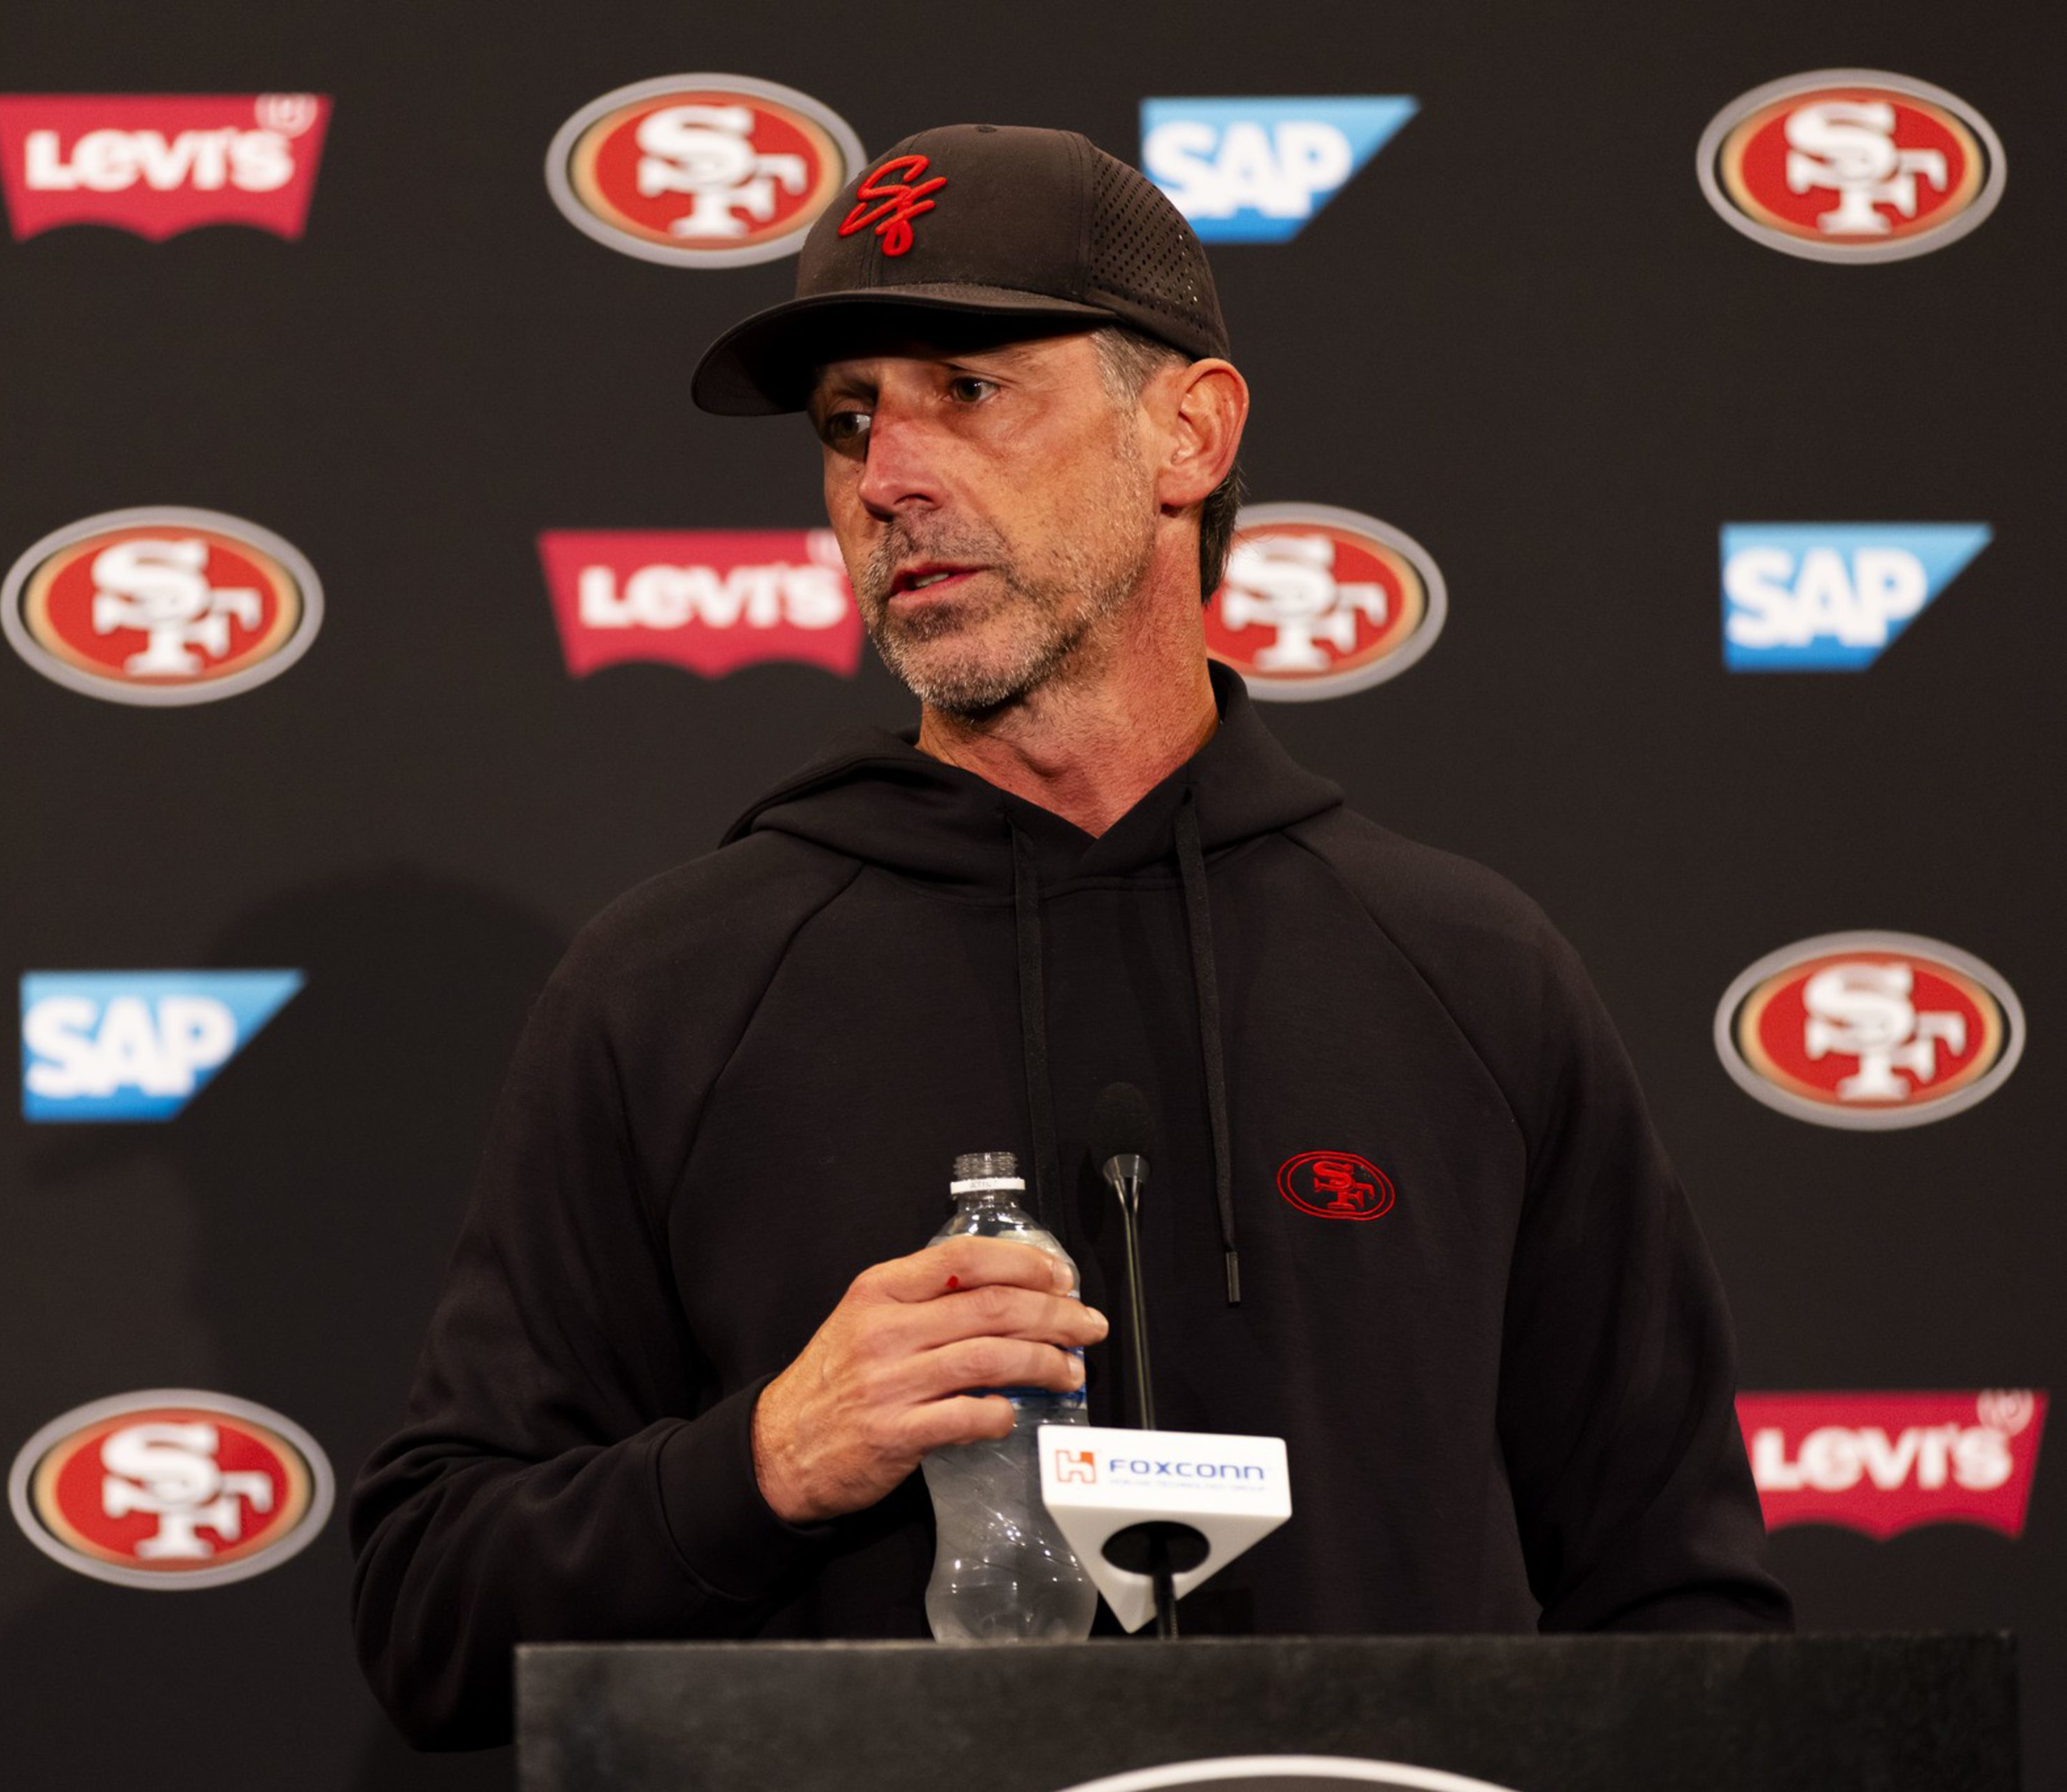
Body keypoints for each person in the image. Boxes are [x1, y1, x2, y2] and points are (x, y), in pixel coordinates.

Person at [350, 123, 1789, 1750]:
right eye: (847, 422)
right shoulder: (671, 990)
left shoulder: (1470, 975)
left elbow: (1689, 1617)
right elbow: (429, 1615)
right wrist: (765, 1459)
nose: (887, 479)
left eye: (968, 391)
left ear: (1190, 433)